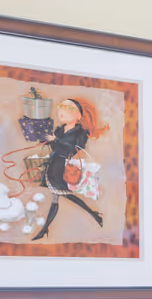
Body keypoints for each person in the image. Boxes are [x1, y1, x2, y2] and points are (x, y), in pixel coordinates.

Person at [32, 96, 108, 242]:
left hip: (62, 167)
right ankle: (93, 215)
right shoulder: (60, 129)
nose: (62, 111)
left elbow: (75, 149)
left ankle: (44, 230)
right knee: (59, 196)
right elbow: (55, 147)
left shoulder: (81, 133)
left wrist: (57, 140)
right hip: (53, 164)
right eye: (61, 106)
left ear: (79, 115)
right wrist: (48, 140)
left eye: (68, 108)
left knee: (60, 195)